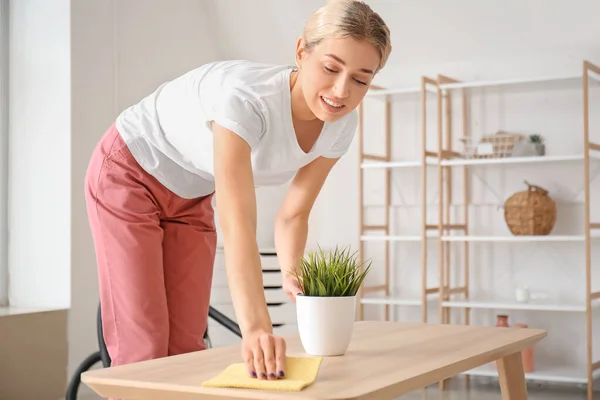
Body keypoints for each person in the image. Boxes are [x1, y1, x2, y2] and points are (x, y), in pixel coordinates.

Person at [84, 0, 391, 384]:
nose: (341, 90)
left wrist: (292, 270)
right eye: (331, 68)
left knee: (187, 345)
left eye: (361, 79)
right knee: (143, 347)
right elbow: (238, 223)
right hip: (129, 171)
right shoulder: (247, 99)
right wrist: (257, 326)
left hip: (192, 193)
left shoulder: (341, 125)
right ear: (301, 52)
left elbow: (294, 213)